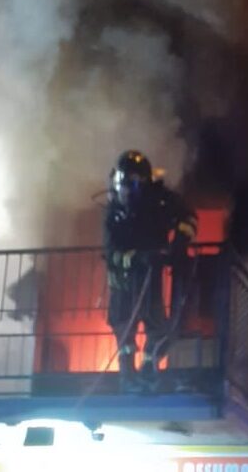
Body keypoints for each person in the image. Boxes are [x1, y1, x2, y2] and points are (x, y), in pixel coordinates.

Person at [103, 150, 197, 393]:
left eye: (133, 182)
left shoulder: (160, 202)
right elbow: (111, 254)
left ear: (144, 183)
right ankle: (128, 377)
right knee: (125, 332)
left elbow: (188, 218)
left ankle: (148, 369)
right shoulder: (114, 213)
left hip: (149, 280)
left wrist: (180, 241)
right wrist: (138, 258)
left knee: (159, 328)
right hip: (122, 284)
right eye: (123, 182)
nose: (127, 189)